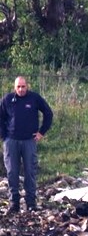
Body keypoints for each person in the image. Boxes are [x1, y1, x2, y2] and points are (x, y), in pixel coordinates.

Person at [1, 76, 53, 214]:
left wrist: (41, 132)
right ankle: (14, 204)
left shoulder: (34, 98)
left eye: (23, 86)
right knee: (12, 172)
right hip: (11, 141)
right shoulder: (7, 100)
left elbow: (48, 113)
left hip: (29, 141)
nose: (21, 89)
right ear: (14, 87)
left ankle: (31, 203)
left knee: (30, 172)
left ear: (27, 86)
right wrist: (4, 137)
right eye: (18, 87)